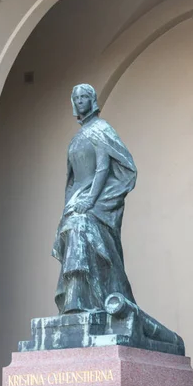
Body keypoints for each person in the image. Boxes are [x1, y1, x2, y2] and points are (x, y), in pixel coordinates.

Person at [52, 84, 137, 314]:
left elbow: (103, 167)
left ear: (92, 100)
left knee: (81, 227)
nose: (80, 101)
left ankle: (85, 302)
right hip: (77, 200)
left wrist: (91, 200)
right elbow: (71, 180)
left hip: (97, 201)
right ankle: (75, 301)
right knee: (72, 229)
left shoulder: (101, 129)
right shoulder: (77, 138)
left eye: (84, 97)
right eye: (76, 98)